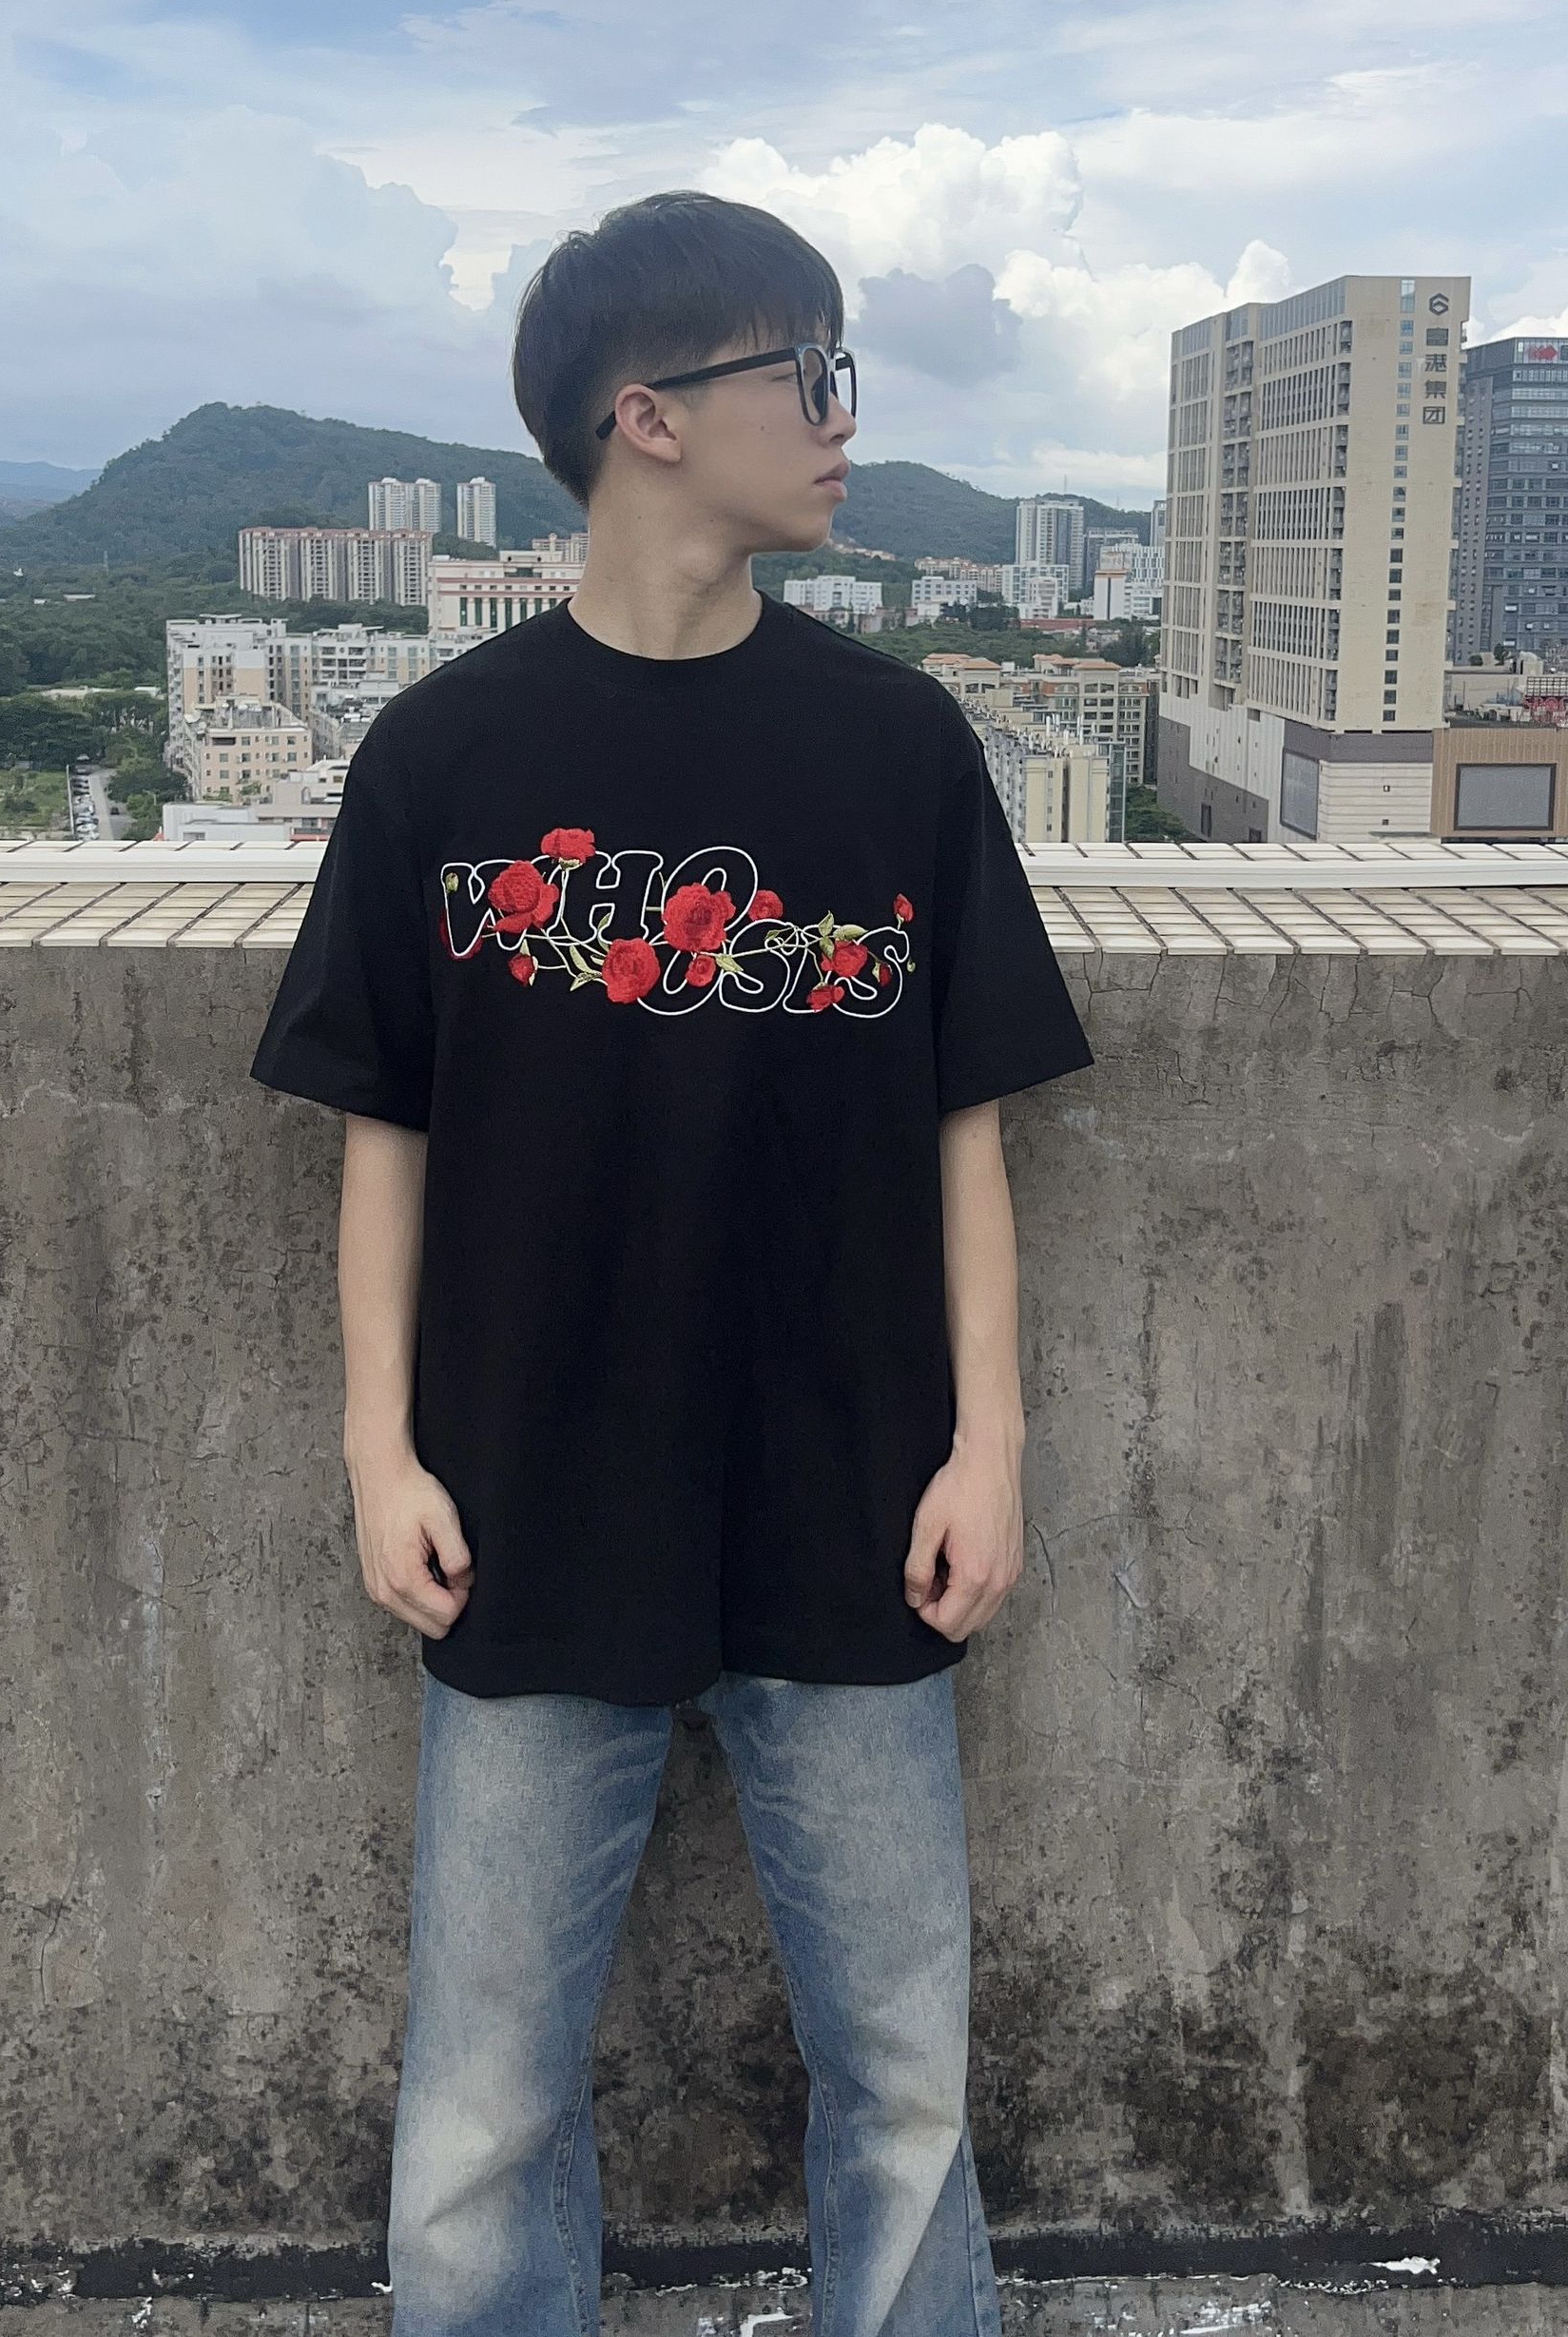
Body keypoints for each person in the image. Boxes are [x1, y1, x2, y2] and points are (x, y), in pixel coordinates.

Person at [251, 189, 1094, 2337]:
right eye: (809, 375)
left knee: (905, 2085)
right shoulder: (445, 755)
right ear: (649, 416)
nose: (841, 420)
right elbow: (382, 1134)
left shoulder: (894, 745)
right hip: (528, 1501)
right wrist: (378, 1451)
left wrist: (989, 1442)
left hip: (854, 1494)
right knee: (480, 2111)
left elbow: (965, 1123)